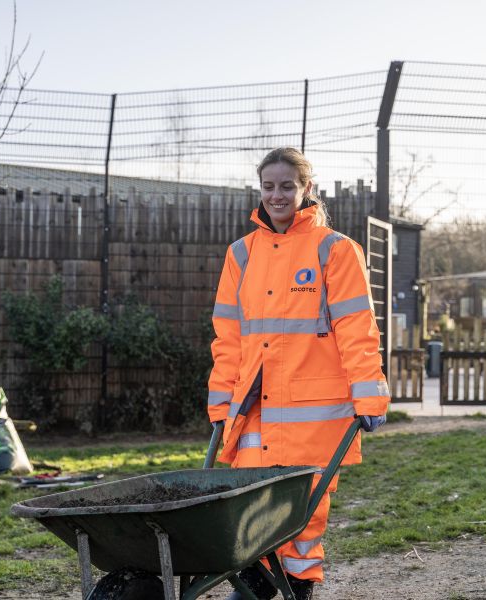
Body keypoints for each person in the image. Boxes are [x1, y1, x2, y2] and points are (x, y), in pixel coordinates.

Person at [207, 147, 390, 600]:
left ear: (307, 188)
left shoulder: (335, 249)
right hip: (253, 408)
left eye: (287, 186)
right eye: (268, 186)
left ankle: (297, 585)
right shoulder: (241, 254)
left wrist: (369, 396)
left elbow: (356, 327)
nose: (276, 195)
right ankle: (257, 580)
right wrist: (219, 401)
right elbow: (228, 336)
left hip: (314, 410)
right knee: (250, 503)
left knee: (303, 512)